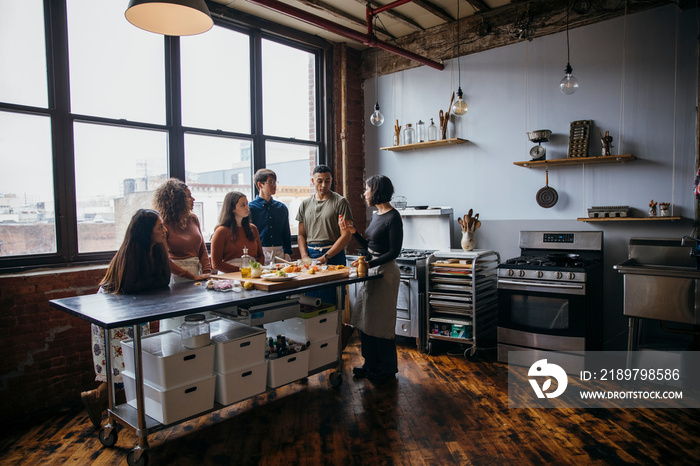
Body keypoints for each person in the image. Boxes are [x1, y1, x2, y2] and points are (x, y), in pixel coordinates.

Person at [81, 209, 171, 428]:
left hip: (134, 310)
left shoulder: (157, 249)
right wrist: (152, 283)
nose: (164, 230)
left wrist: (149, 284)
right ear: (145, 231)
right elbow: (131, 285)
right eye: (159, 227)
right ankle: (99, 398)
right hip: (113, 311)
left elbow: (164, 280)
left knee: (135, 359)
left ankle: (98, 398)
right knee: (123, 362)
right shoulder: (132, 251)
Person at [339, 175, 403, 384]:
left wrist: (369, 265)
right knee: (366, 321)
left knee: (381, 323)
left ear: (375, 191)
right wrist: (352, 231)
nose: (364, 193)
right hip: (371, 271)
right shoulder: (377, 215)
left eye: (366, 189)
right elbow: (370, 248)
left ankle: (386, 369)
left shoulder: (394, 217)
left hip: (385, 274)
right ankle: (370, 365)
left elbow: (394, 252)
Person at [153, 179, 212, 330]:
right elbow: (164, 259)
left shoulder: (193, 219)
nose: (193, 199)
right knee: (178, 324)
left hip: (198, 276)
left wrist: (206, 273)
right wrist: (192, 276)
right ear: (176, 201)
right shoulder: (163, 223)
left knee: (200, 319)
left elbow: (202, 250)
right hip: (176, 277)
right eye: (188, 196)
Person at [296, 164, 353, 266]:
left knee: (337, 282)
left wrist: (325, 257)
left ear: (331, 180)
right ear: (313, 181)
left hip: (334, 253)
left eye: (327, 181)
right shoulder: (305, 204)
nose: (323, 185)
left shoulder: (341, 202)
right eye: (320, 181)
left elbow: (346, 235)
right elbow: (301, 235)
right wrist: (304, 256)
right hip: (311, 253)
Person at [211, 191, 264, 273]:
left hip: (252, 273)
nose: (247, 207)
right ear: (232, 209)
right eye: (243, 205)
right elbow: (216, 263)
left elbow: (260, 255)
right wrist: (242, 271)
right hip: (229, 275)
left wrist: (256, 269)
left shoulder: (253, 228)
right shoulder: (221, 231)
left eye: (247, 204)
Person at [248, 169, 293, 265]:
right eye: (270, 182)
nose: (274, 185)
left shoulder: (281, 207)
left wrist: (287, 252)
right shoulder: (250, 208)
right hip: (260, 253)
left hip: (280, 253)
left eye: (275, 182)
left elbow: (286, 233)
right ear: (260, 185)